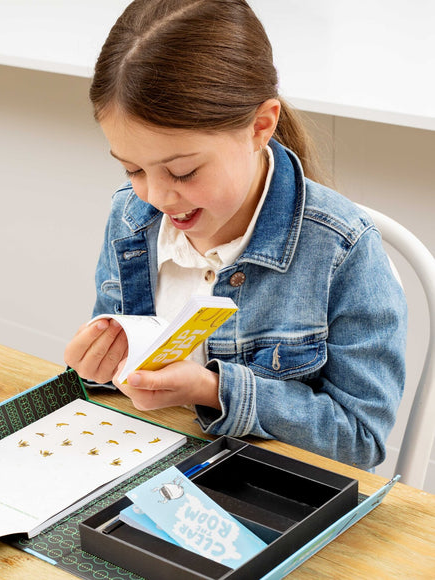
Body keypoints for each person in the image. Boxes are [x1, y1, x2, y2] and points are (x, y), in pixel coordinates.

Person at [64, 0, 407, 470]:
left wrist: (214, 391)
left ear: (260, 127)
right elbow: (116, 382)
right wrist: (98, 369)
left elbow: (359, 441)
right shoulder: (130, 217)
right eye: (133, 169)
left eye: (182, 172)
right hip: (154, 470)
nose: (158, 196)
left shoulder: (342, 250)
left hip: (274, 492)